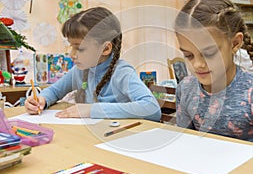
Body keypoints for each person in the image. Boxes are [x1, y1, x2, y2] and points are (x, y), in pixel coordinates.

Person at [174, 0, 253, 150]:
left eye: (209, 53)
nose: (197, 65)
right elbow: (185, 149)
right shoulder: (186, 89)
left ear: (235, 43)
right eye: (188, 55)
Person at [25, 7, 161, 121]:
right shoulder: (81, 70)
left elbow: (152, 108)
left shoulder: (122, 72)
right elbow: (55, 91)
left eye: (80, 48)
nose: (72, 54)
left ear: (106, 49)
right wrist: (42, 99)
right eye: (71, 46)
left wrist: (91, 110)